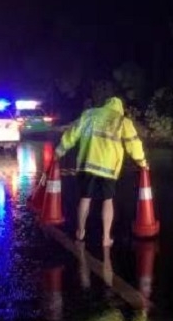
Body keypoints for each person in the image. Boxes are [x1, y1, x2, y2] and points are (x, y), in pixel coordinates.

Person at [55, 96, 148, 247]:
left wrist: (59, 151)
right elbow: (133, 144)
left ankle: (80, 232)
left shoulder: (89, 115)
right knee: (107, 200)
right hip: (108, 169)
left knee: (85, 198)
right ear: (119, 108)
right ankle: (105, 238)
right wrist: (142, 162)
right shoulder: (121, 120)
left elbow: (72, 134)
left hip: (87, 165)